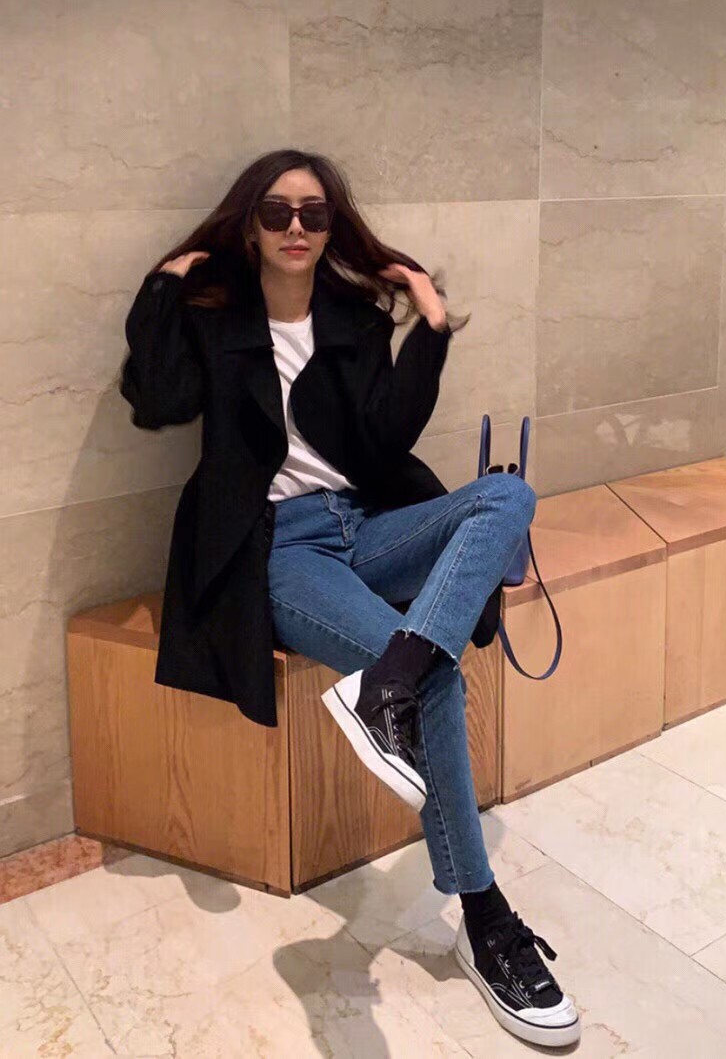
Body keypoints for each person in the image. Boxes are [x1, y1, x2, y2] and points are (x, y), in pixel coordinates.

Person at [118, 148, 581, 1048]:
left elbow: (386, 437)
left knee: (507, 497)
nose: (297, 227)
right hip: (280, 549)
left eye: (315, 213)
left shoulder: (353, 320)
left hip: (365, 525)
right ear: (250, 225)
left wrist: (431, 327)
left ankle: (389, 679)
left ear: (332, 227)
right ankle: (486, 921)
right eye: (277, 212)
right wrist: (160, 288)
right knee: (441, 677)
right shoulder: (216, 318)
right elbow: (158, 399)